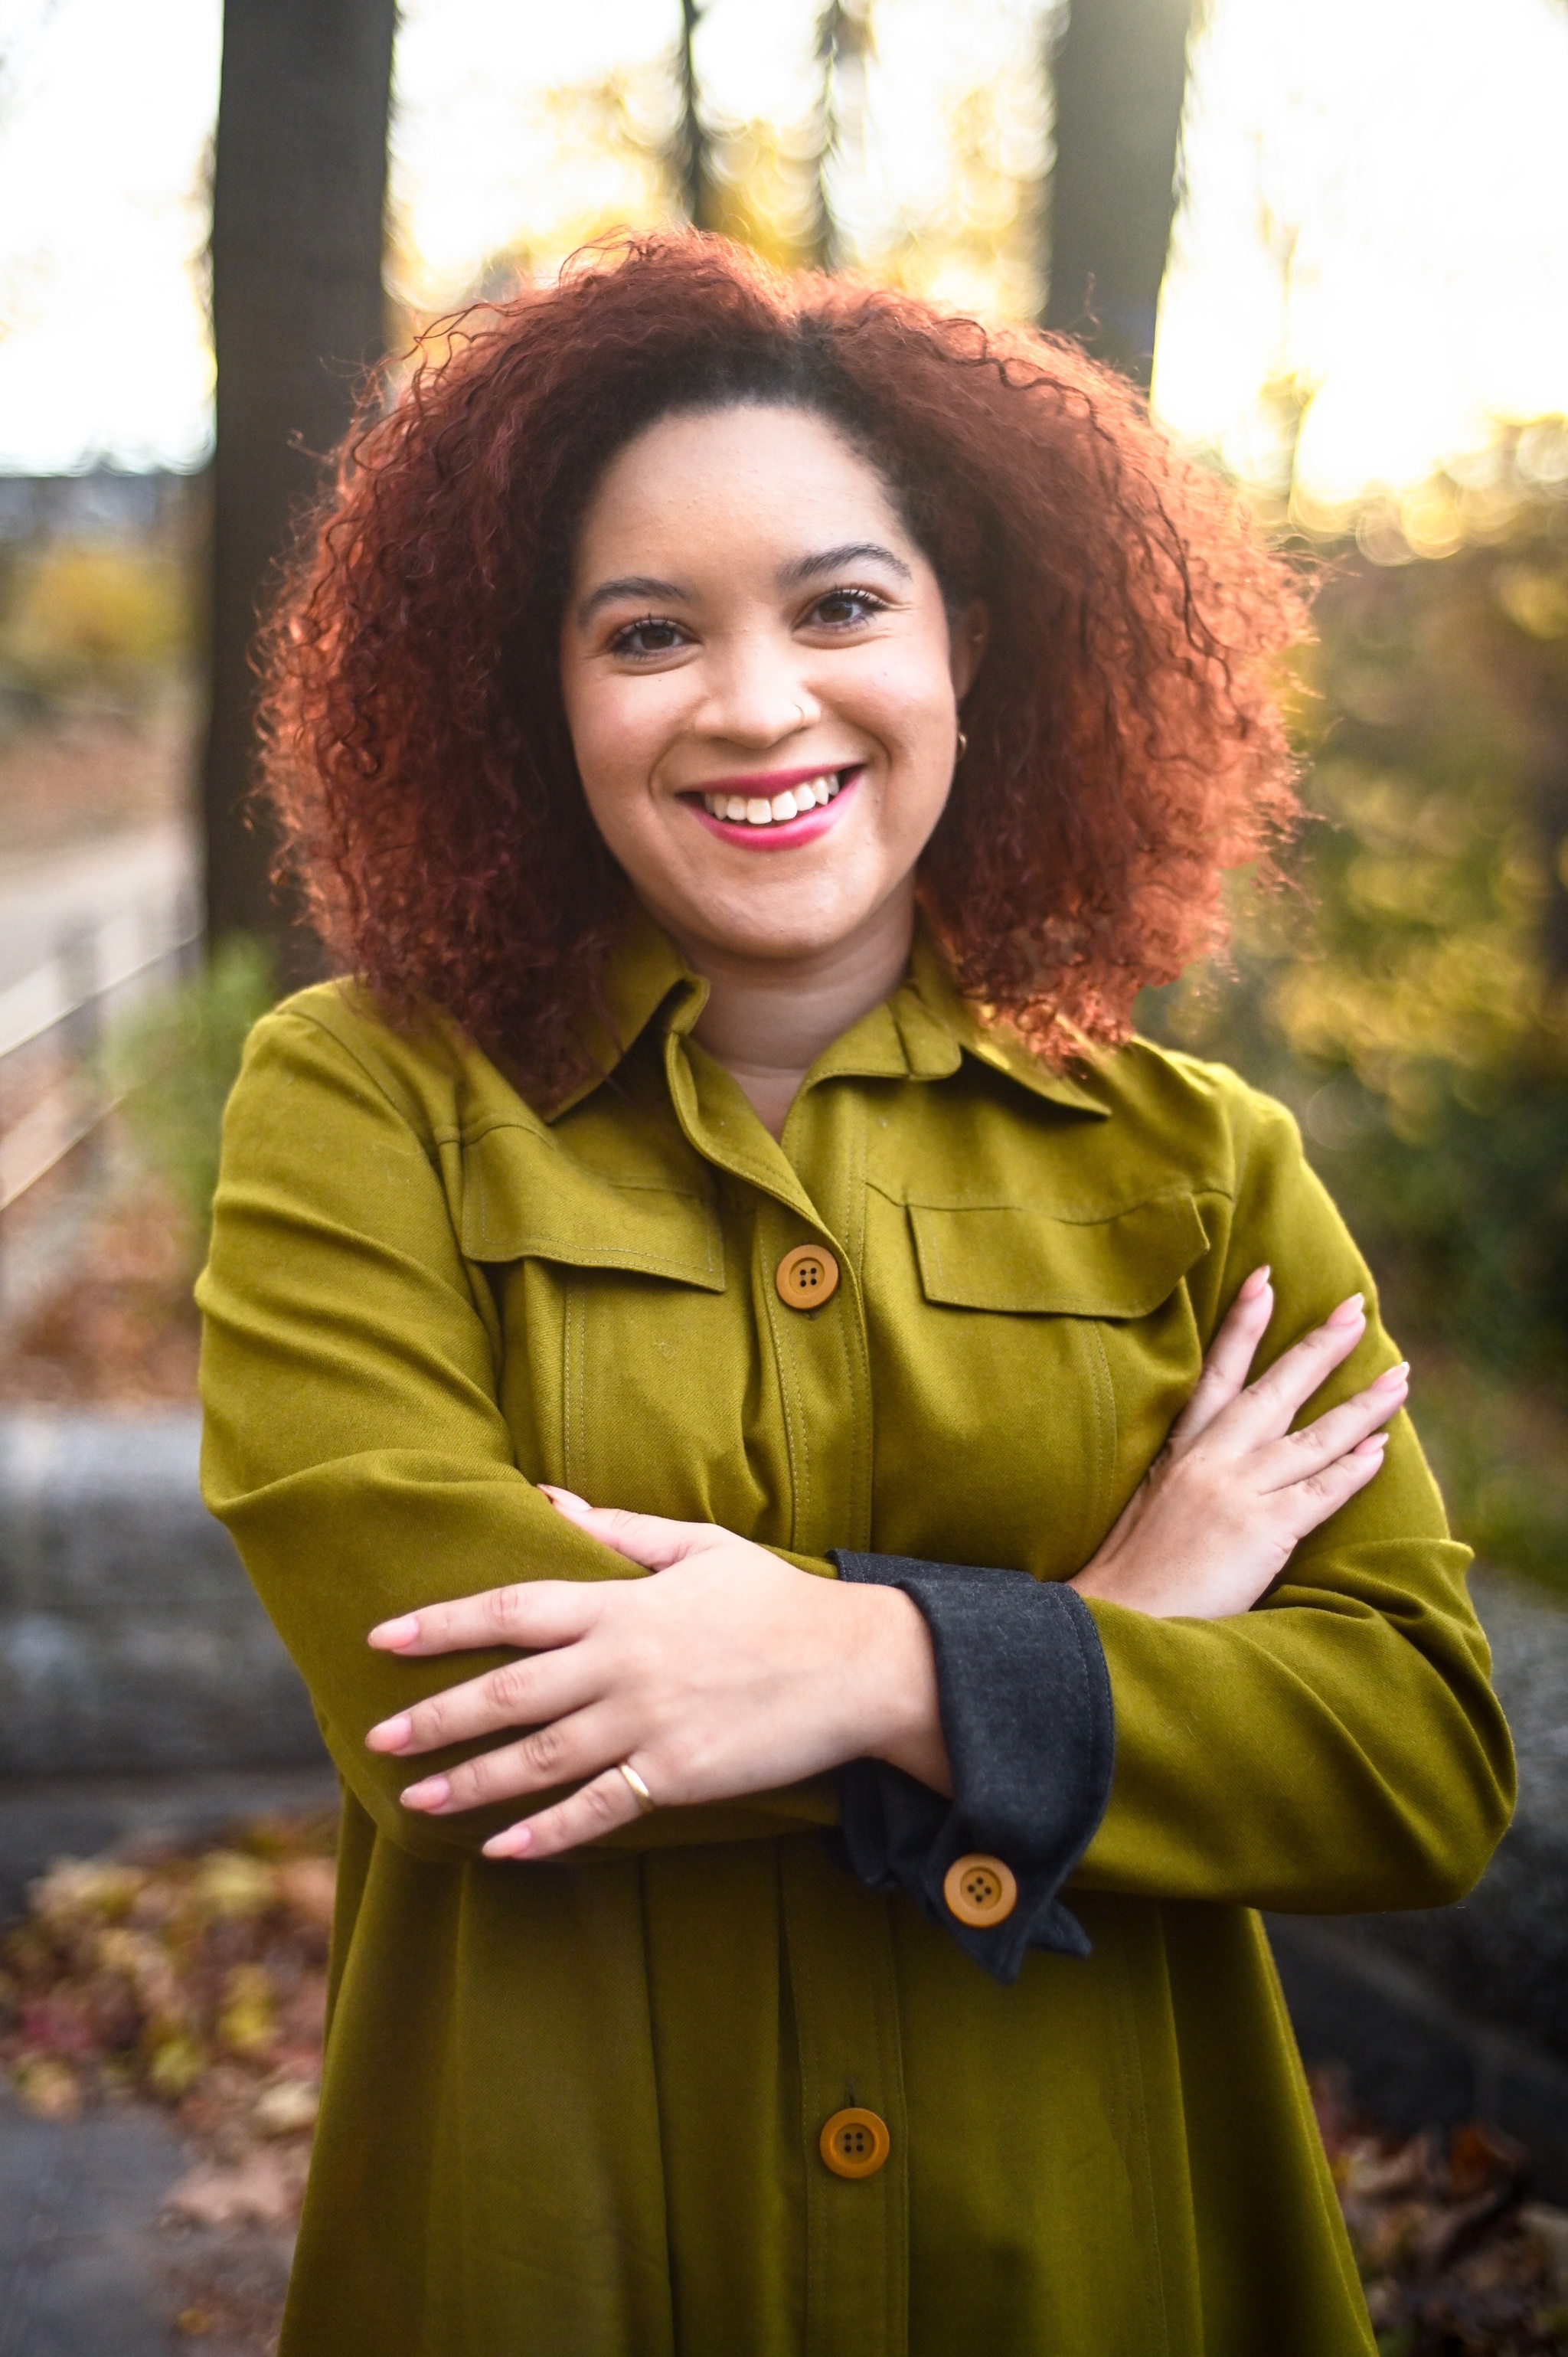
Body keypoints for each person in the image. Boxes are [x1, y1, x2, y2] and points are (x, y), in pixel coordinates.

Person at [198, 235, 1513, 2357]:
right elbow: (458, 1724)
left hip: (1106, 2266)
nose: (756, 701)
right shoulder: (363, 1108)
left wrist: (852, 1664)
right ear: (536, 690)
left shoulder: (1204, 1168)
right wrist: (1097, 1646)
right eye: (649, 632)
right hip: (562, 2262)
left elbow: (1419, 1762)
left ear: (965, 643)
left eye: (840, 604)